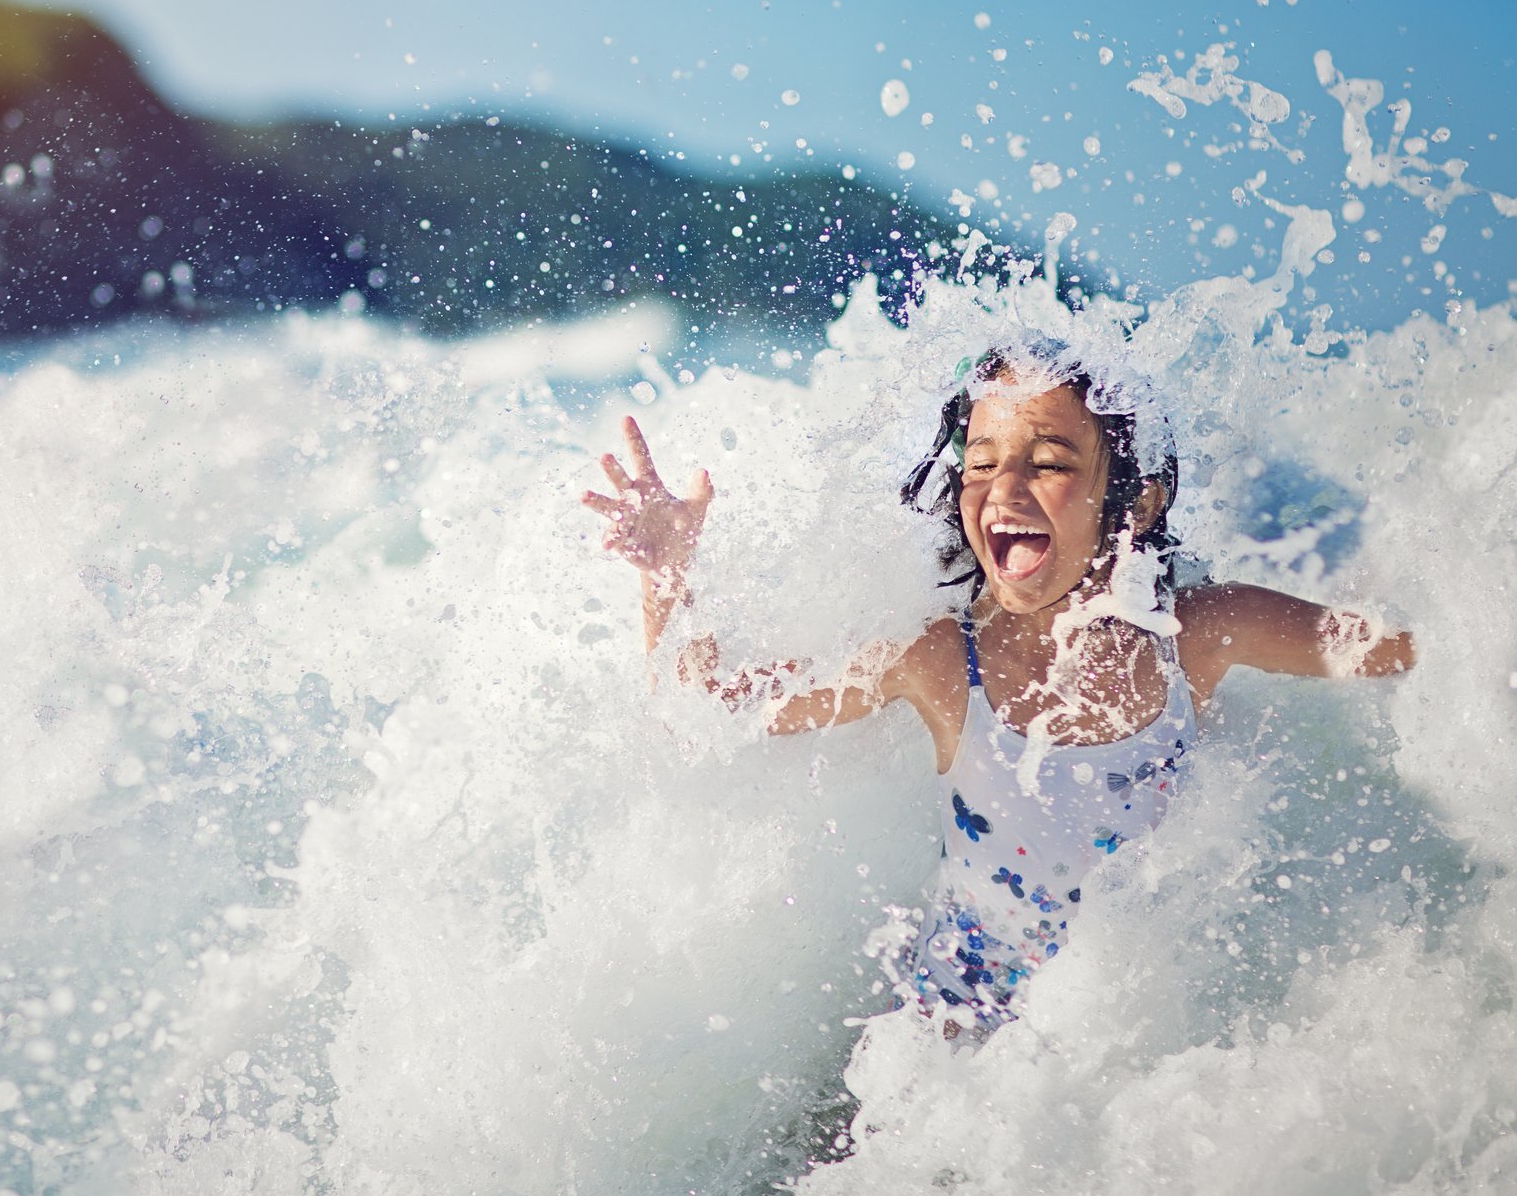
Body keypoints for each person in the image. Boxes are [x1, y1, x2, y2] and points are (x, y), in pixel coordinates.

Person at [580, 343, 1416, 1042]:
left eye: (1049, 463)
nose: (1004, 490)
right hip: (945, 1063)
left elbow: (1411, 647)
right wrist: (667, 577)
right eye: (980, 464)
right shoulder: (940, 657)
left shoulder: (1199, 634)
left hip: (1124, 1043)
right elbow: (706, 715)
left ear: (1136, 500)